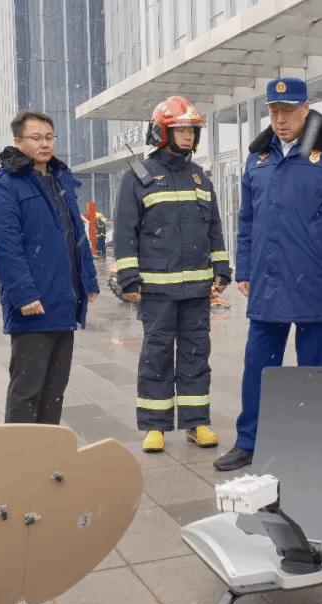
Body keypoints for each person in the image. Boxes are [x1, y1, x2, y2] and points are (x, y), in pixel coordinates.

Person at [214, 77, 322, 472]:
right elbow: (247, 220)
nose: (279, 120)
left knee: (313, 369)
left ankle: (310, 442)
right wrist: (245, 268)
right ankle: (250, 440)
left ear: (305, 109)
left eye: (287, 111)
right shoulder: (258, 157)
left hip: (315, 277)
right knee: (258, 366)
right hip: (267, 278)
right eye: (273, 111)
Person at [113, 96, 231, 453]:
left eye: (192, 130)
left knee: (196, 355)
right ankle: (155, 426)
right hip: (157, 292)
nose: (188, 136)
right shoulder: (138, 177)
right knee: (157, 356)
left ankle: (197, 423)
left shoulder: (200, 177)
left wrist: (221, 267)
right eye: (180, 129)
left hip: (196, 290)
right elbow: (125, 231)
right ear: (161, 132)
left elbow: (214, 227)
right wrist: (128, 278)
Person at [0, 110, 100, 425]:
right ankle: (21, 452)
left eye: (49, 137)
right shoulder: (4, 184)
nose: (44, 144)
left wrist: (88, 280)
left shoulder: (59, 179)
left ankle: (48, 450)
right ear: (18, 141)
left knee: (55, 390)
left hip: (63, 301)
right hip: (33, 306)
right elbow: (5, 246)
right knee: (27, 391)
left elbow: (77, 234)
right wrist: (23, 294)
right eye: (36, 138)